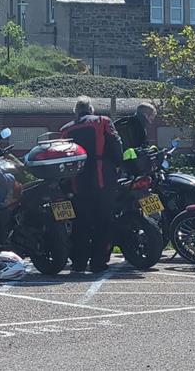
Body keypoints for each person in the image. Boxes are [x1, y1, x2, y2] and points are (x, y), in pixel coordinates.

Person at [61, 96, 123, 273]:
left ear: (76, 111)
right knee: (103, 222)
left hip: (78, 182)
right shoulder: (103, 121)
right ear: (91, 109)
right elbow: (116, 144)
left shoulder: (66, 129)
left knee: (81, 223)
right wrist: (118, 166)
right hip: (103, 179)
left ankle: (79, 262)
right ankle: (98, 262)